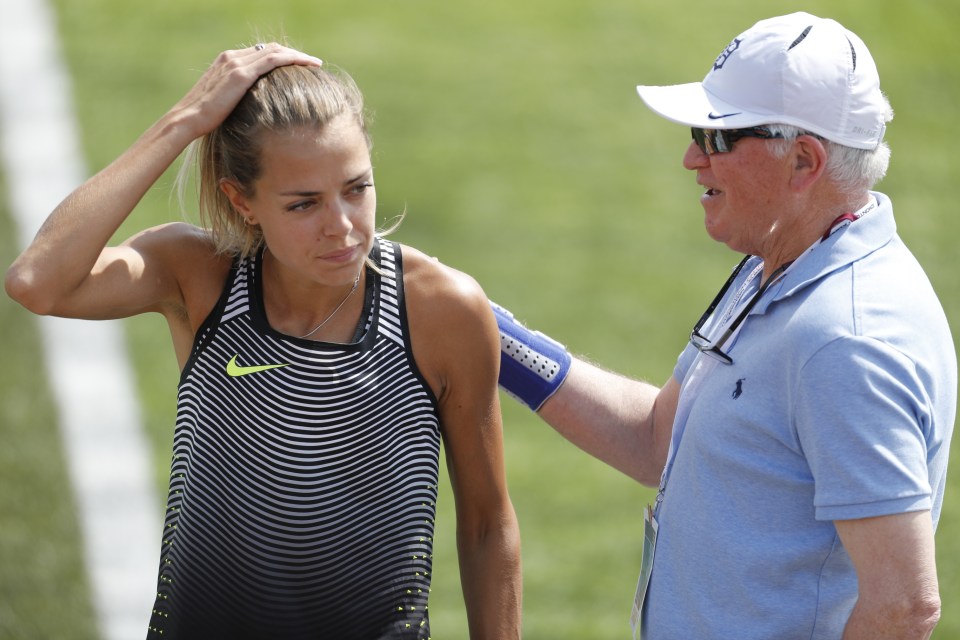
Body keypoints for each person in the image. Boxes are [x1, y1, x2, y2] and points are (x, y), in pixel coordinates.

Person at [5, 43, 521, 639]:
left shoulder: (441, 311)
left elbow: (487, 525)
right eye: (303, 204)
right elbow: (37, 283)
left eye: (356, 188)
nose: (342, 226)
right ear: (241, 201)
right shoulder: (197, 276)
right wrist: (185, 121)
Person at [493, 12, 955, 640]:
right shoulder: (783, 261)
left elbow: (904, 606)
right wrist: (493, 340)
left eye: (717, 138)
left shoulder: (845, 340)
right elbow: (660, 439)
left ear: (803, 161)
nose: (691, 158)